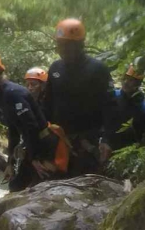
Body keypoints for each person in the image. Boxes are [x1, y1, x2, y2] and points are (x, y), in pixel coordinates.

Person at [41, 18, 116, 176]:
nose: (61, 50)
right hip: (60, 141)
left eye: (66, 46)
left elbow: (110, 106)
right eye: (60, 45)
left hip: (88, 141)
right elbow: (47, 103)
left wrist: (107, 139)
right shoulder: (55, 68)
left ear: (79, 45)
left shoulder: (98, 69)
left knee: (84, 185)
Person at [0, 52, 53, 192]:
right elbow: (14, 131)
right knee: (15, 186)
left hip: (44, 148)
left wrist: (34, 159)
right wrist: (10, 163)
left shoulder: (13, 93)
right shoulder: (1, 96)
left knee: (37, 188)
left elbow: (31, 127)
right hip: (34, 147)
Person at [106, 65, 145, 152]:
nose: (126, 82)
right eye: (125, 78)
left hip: (132, 151)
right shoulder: (113, 96)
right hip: (109, 148)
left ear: (138, 84)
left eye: (131, 80)